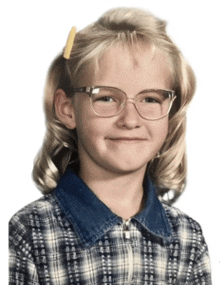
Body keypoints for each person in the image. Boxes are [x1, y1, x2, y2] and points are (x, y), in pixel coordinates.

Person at [9, 7, 212, 284]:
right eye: (105, 98)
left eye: (150, 99)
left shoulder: (187, 239)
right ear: (68, 109)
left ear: (170, 111)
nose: (130, 120)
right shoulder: (29, 232)